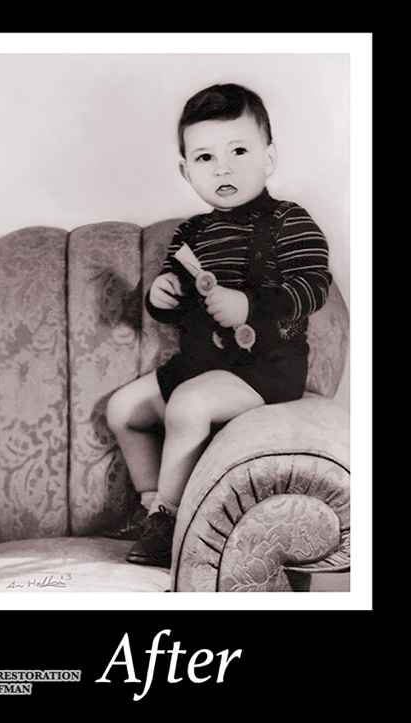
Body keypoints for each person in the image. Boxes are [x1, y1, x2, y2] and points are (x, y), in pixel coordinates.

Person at [106, 84, 331, 567]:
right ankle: (152, 505)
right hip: (200, 362)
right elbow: (176, 303)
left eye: (239, 151)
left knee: (188, 404)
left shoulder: (289, 221)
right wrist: (161, 293)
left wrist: (251, 306)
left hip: (265, 367)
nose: (223, 167)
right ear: (187, 171)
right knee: (123, 409)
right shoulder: (191, 233)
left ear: (268, 158)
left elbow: (314, 286)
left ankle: (170, 519)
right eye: (205, 157)